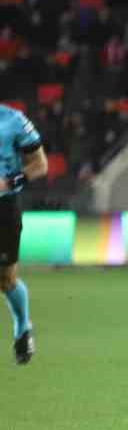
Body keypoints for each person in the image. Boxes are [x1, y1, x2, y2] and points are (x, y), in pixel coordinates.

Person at [1, 103, 48, 365]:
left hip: (3, 208)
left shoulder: (13, 120)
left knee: (6, 280)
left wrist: (8, 182)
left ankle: (22, 327)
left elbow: (40, 165)